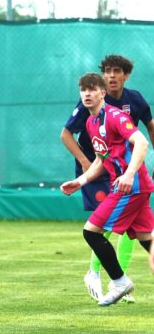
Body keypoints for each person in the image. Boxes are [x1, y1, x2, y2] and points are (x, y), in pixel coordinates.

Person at [60, 55, 154, 303]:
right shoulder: (92, 123)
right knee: (148, 241)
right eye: (83, 90)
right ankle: (111, 279)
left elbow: (142, 141)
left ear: (103, 93)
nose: (87, 94)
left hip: (130, 187)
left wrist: (129, 174)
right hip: (133, 187)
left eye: (92, 89)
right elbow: (102, 160)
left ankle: (119, 282)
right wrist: (80, 181)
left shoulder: (114, 116)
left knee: (91, 232)